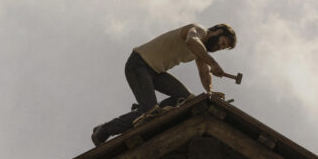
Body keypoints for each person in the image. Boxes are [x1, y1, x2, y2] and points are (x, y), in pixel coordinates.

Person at [91, 23, 237, 146]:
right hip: (139, 64)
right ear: (218, 31)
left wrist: (210, 91)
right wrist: (214, 63)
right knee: (148, 110)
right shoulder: (198, 30)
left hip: (156, 72)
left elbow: (204, 73)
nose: (219, 47)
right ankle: (104, 130)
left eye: (223, 48)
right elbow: (191, 41)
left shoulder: (201, 51)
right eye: (222, 43)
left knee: (186, 99)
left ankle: (148, 111)